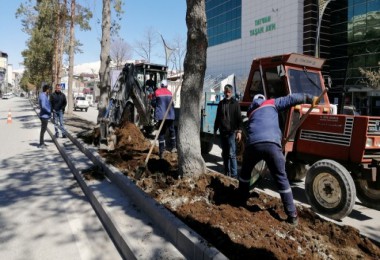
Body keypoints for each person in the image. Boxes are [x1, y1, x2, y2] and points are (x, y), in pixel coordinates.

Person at [238, 93, 319, 226]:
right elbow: (292, 99)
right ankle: (292, 216)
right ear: (264, 99)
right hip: (272, 145)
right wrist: (310, 98)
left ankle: (240, 200)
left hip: (253, 145)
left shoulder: (251, 112)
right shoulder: (272, 103)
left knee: (245, 173)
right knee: (282, 179)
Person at [214, 84, 243, 178]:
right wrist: (215, 130)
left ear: (232, 92)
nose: (227, 93)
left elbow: (239, 119)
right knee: (225, 154)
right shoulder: (221, 103)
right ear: (224, 92)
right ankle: (226, 173)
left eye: (229, 92)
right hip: (223, 132)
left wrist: (239, 131)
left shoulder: (235, 104)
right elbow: (217, 118)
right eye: (226, 92)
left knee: (232, 154)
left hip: (231, 132)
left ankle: (234, 175)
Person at [154, 79, 176, 158]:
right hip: (170, 115)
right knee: (171, 131)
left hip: (161, 116)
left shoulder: (157, 92)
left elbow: (153, 102)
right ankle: (174, 147)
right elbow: (172, 104)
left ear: (161, 85)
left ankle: (161, 151)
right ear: (166, 86)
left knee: (162, 133)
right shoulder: (170, 93)